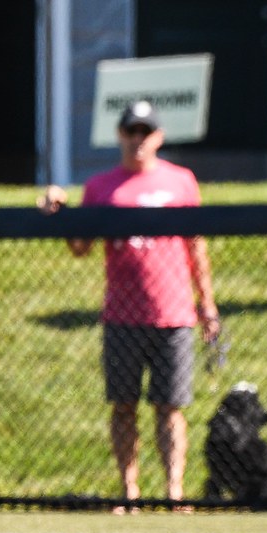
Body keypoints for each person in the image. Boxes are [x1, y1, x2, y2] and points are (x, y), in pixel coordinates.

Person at [39, 101, 220, 511]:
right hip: (121, 316)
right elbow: (81, 248)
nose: (138, 139)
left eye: (146, 131)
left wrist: (206, 305)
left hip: (174, 313)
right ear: (120, 135)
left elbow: (197, 247)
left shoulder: (182, 182)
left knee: (170, 408)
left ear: (157, 137)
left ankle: (174, 494)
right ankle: (129, 493)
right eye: (131, 131)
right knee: (123, 407)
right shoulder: (101, 187)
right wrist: (61, 215)